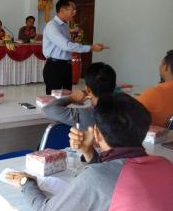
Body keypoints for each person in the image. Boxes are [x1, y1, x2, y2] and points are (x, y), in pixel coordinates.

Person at [22, 93, 173, 211]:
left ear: (97, 134)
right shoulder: (166, 165)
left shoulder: (95, 177)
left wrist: (26, 182)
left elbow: (46, 209)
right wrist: (89, 152)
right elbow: (116, 177)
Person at [42, 0, 108, 95]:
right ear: (62, 10)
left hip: (66, 65)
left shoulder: (65, 25)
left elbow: (65, 44)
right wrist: (91, 47)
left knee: (68, 96)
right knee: (54, 99)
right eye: (72, 10)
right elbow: (66, 46)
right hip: (54, 67)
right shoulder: (52, 26)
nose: (74, 12)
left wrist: (75, 42)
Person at [41, 62, 116, 130]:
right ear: (113, 86)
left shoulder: (83, 114)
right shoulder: (123, 111)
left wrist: (71, 98)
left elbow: (47, 109)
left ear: (88, 90)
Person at [137, 49, 173, 127]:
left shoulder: (153, 94)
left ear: (167, 67)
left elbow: (129, 115)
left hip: (154, 138)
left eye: (161, 63)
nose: (159, 66)